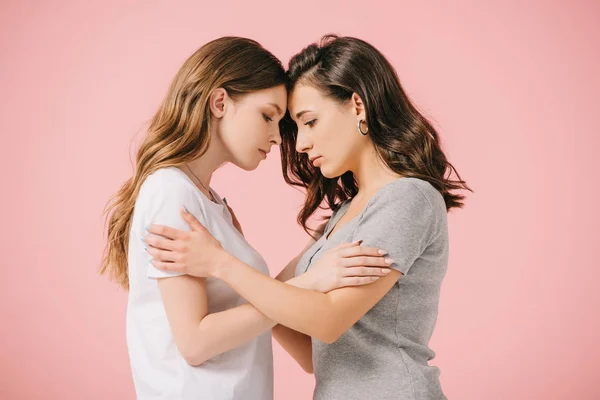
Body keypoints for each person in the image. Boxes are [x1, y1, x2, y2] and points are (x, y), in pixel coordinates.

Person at [146, 35, 471, 400]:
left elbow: (328, 321)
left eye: (310, 122)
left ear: (358, 106)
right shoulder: (345, 214)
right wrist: (247, 269)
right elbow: (309, 351)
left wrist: (224, 265)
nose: (299, 143)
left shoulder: (408, 198)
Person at [101, 36, 390, 400]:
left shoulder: (211, 204)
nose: (276, 137)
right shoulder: (170, 192)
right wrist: (309, 283)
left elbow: (250, 295)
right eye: (267, 116)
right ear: (220, 102)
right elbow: (194, 342)